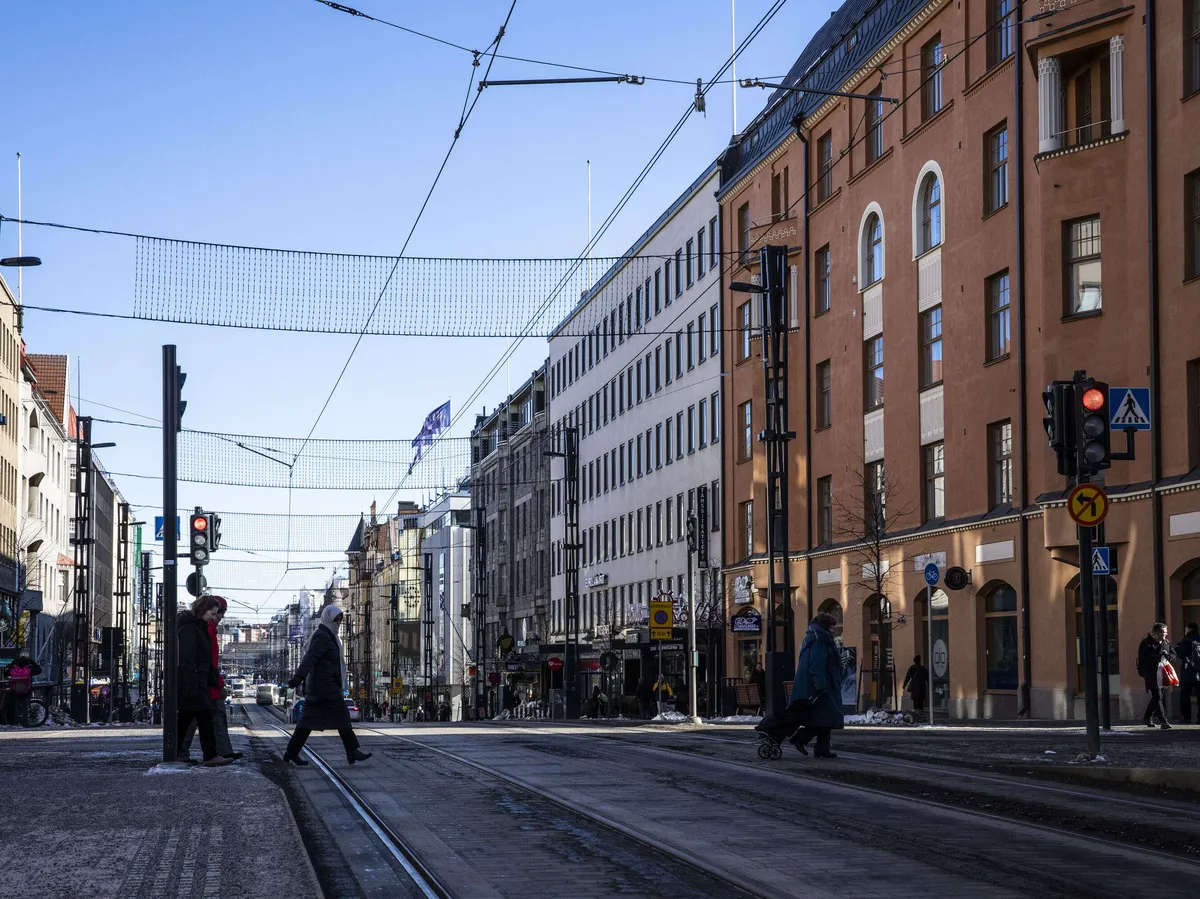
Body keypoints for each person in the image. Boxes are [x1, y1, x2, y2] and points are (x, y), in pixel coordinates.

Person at [284, 605, 371, 766]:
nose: (338, 623)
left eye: (340, 620)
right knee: (343, 718)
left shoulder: (328, 635)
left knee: (306, 724)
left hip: (321, 686)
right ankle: (352, 752)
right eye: (335, 620)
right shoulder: (323, 636)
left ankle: (291, 753)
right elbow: (310, 658)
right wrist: (298, 677)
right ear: (328, 619)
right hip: (324, 686)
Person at [181, 597, 242, 762]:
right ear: (205, 610)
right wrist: (209, 681)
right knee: (198, 717)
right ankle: (210, 755)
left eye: (219, 613)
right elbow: (196, 658)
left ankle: (214, 754)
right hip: (198, 681)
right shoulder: (198, 628)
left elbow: (208, 659)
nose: (218, 617)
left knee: (200, 717)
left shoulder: (205, 628)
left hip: (203, 680)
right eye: (216, 613)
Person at [788, 612, 846, 759]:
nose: (833, 630)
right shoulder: (819, 640)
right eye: (832, 627)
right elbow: (817, 665)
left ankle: (822, 748)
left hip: (821, 683)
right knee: (824, 717)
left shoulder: (815, 638)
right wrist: (821, 685)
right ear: (825, 626)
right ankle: (801, 738)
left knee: (826, 717)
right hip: (820, 685)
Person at [1137, 622, 1174, 730]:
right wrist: (1158, 657)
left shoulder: (1166, 642)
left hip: (1163, 673)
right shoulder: (1146, 643)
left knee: (1158, 696)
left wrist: (1167, 655)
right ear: (1157, 633)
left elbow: (1174, 655)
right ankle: (1163, 721)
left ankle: (1147, 718)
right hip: (1150, 673)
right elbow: (1143, 658)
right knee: (1157, 695)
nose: (1166, 635)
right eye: (1164, 633)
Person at [3, 654, 43, 727]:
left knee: (16, 706)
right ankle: (25, 723)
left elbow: (5, 672)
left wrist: (12, 663)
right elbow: (39, 670)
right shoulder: (29, 668)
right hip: (26, 690)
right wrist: (33, 663)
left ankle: (15, 722)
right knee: (25, 707)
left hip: (15, 689)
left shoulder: (13, 668)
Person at [1175, 622, 1200, 724]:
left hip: (1188, 673)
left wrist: (1177, 648)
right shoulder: (1199, 639)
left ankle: (1186, 717)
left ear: (1188, 629)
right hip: (1199, 672)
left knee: (1185, 694)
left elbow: (1180, 654)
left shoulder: (1186, 640)